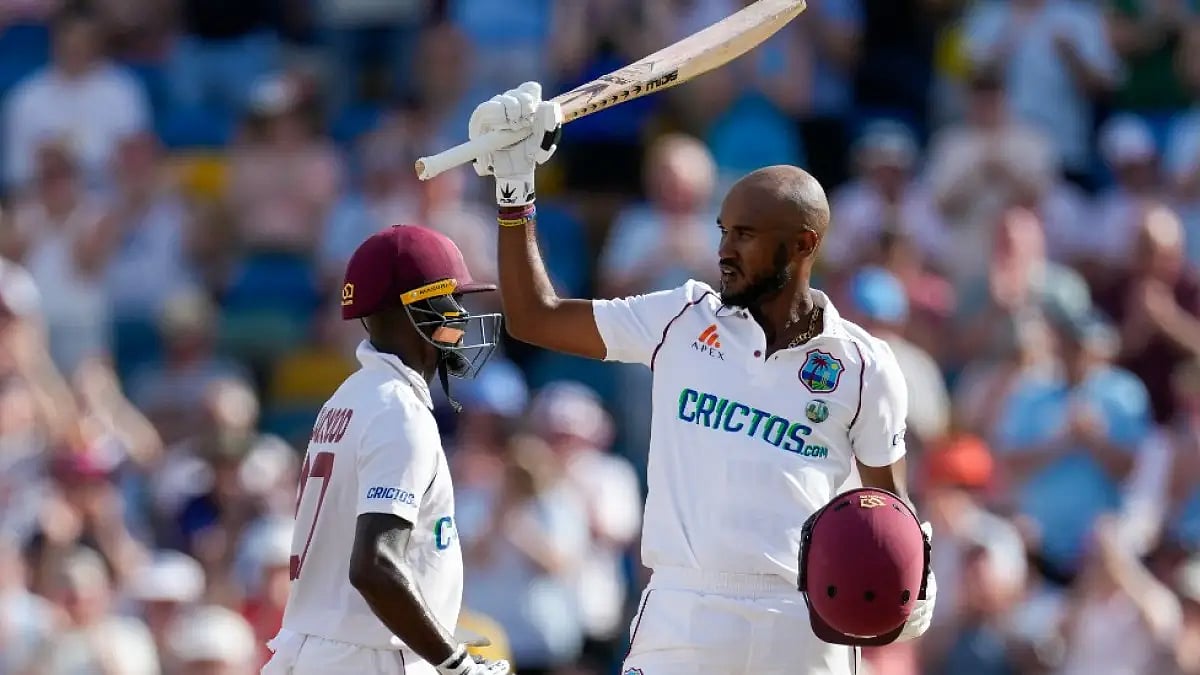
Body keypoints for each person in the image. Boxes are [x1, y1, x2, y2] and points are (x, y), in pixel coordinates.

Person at [465, 82, 937, 675]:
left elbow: (887, 508)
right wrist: (516, 190)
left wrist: (910, 578)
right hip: (682, 610)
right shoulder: (680, 317)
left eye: (745, 234)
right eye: (723, 230)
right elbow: (534, 317)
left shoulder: (865, 365)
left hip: (801, 620)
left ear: (804, 244)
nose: (724, 250)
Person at [262, 224, 510, 675]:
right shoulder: (398, 411)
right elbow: (374, 566)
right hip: (368, 657)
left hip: (326, 650)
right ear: (414, 310)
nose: (460, 316)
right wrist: (457, 665)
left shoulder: (349, 396)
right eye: (451, 300)